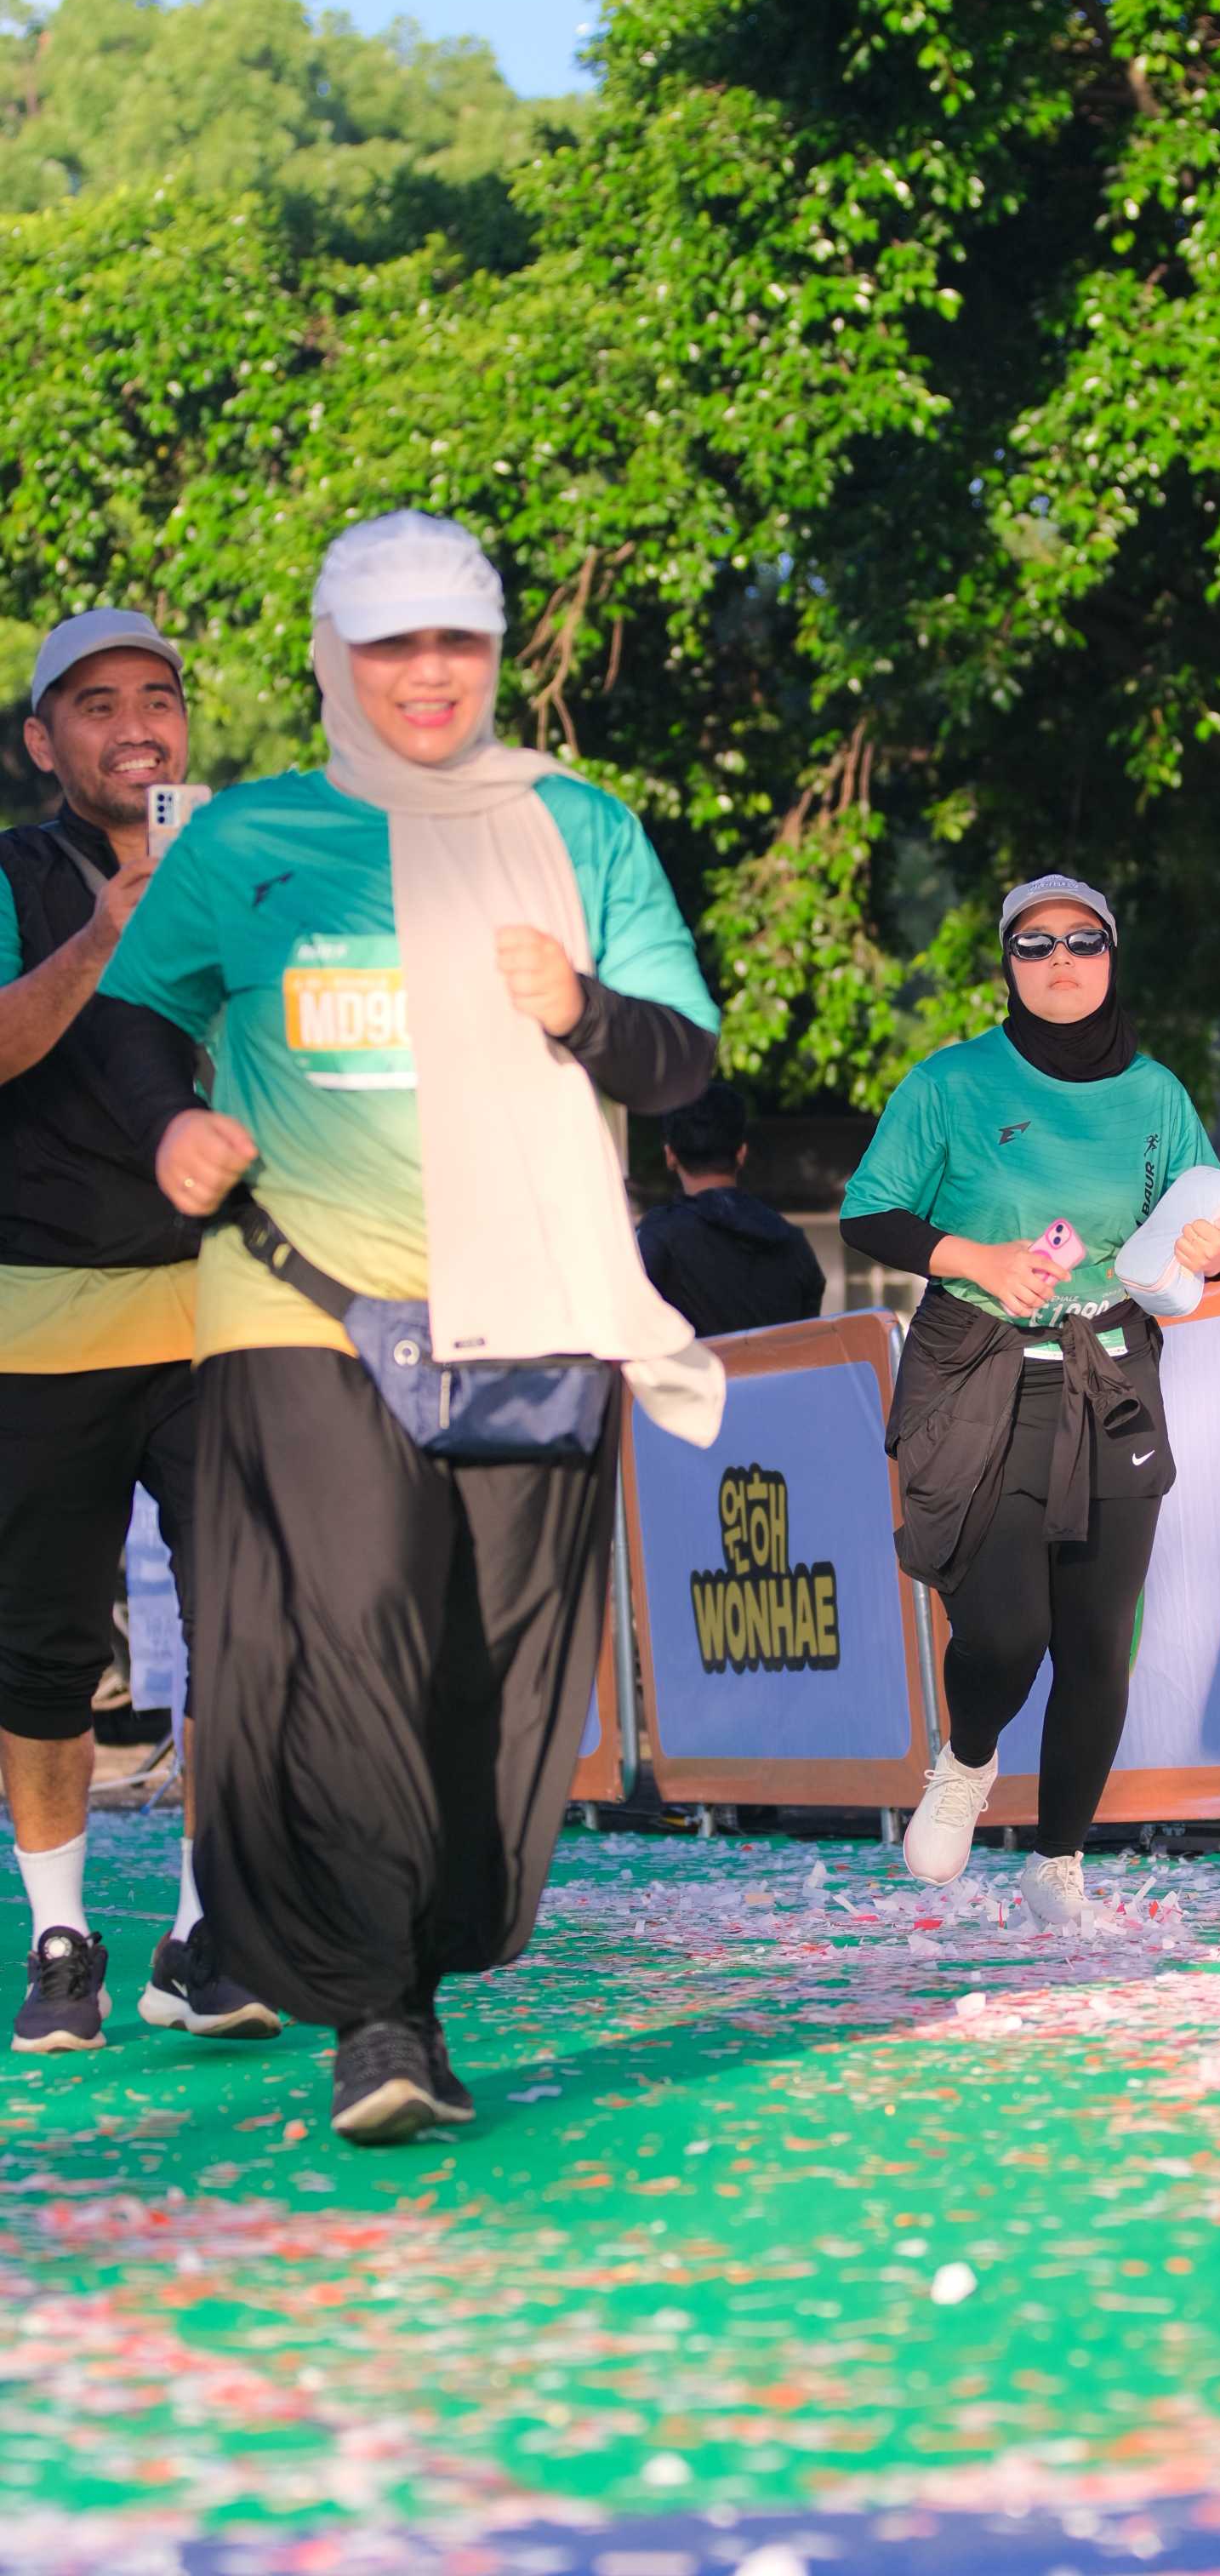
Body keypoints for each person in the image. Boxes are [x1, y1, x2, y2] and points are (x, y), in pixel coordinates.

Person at [99, 511, 723, 2144]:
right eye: (391, 645)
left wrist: (581, 1008)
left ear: (494, 652)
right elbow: (130, 1024)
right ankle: (377, 2016)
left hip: (534, 1305)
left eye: (454, 641)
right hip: (295, 1299)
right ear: (335, 658)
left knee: (490, 1678)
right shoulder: (249, 840)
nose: (425, 673)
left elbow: (684, 1061)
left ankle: (418, 1976)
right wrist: (173, 1126)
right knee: (357, 1618)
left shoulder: (579, 830)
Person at [841, 875, 1220, 1928]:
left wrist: (1212, 1251)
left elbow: (1201, 1230)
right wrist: (974, 1255)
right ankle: (968, 1760)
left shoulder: (1156, 1094)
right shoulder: (950, 1081)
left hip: (1111, 1372)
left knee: (1099, 1643)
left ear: (1111, 956)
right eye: (1035, 943)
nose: (1060, 959)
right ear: (1007, 964)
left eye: (1082, 939)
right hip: (980, 1369)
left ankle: (1056, 1863)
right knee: (1007, 1632)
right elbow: (868, 1213)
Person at [0, 610, 278, 2055]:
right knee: (42, 1649)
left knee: (246, 1623)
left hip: (220, 1313)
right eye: (96, 703)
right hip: (40, 1318)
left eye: (156, 699)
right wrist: (111, 930)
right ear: (43, 740)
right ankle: (61, 1935)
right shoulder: (13, 874)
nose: (134, 726)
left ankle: (202, 1930)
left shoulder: (244, 873)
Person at [638, 1080, 826, 1339]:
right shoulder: (794, 1244)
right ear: (741, 1153)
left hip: (694, 1367)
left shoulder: (656, 1237)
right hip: (782, 1366)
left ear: (670, 1155)